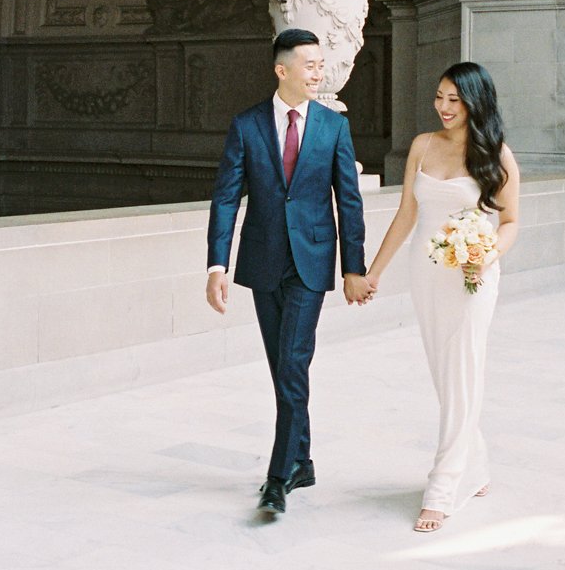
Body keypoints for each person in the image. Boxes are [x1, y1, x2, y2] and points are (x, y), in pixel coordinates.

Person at [206, 28, 372, 517]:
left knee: (293, 361)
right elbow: (225, 197)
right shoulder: (247, 125)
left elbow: (350, 201)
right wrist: (219, 263)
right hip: (262, 262)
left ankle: (279, 476)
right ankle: (302, 458)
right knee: (284, 365)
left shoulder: (333, 127)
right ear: (283, 71)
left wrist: (353, 268)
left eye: (321, 64)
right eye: (310, 65)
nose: (318, 72)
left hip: (312, 262)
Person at [366, 62, 519, 532]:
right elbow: (406, 214)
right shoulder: (422, 145)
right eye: (439, 97)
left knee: (463, 371)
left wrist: (486, 256)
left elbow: (511, 222)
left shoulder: (496, 154)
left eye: (455, 99)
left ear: (476, 101)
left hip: (472, 277)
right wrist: (373, 273)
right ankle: (475, 465)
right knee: (445, 375)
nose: (444, 107)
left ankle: (444, 486)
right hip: (426, 272)